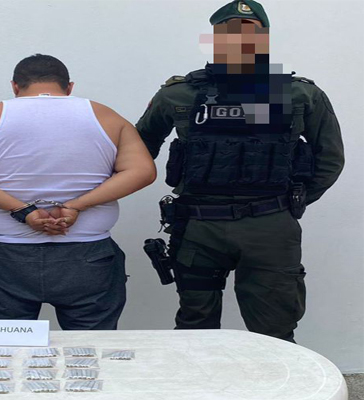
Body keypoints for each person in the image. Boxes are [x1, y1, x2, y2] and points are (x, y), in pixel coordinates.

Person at [137, 0, 344, 342]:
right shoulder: (179, 94)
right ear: (213, 40)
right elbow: (139, 148)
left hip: (269, 227)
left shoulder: (300, 94)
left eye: (250, 33)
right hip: (199, 226)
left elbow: (330, 159)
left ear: (265, 39)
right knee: (194, 329)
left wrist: (290, 202)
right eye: (228, 32)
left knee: (274, 333)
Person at [0, 54, 156, 330]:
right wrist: (76, 205)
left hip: (4, 255)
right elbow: (143, 171)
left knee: (6, 346)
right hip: (89, 254)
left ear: (15, 86)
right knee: (92, 346)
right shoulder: (107, 117)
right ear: (69, 87)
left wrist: (23, 210)